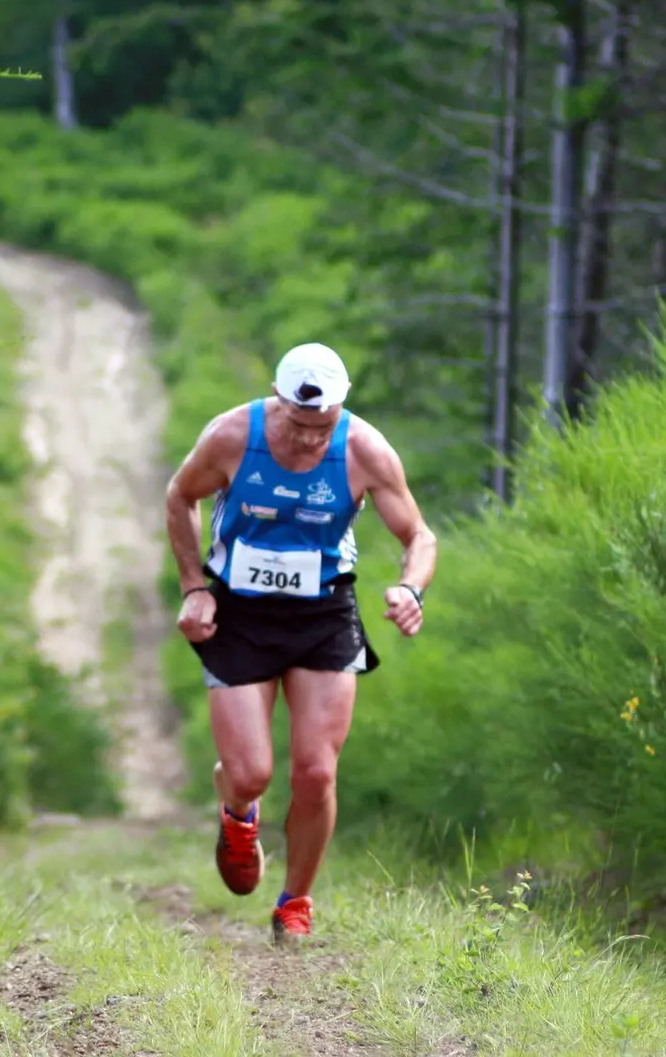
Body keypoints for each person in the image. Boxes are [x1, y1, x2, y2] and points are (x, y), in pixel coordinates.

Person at [163, 342, 436, 944]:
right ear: (280, 402)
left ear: (341, 409)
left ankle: (295, 902)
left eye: (325, 426)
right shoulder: (234, 435)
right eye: (301, 425)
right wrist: (193, 587)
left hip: (324, 615)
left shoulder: (365, 449)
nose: (313, 440)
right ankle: (238, 810)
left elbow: (419, 535)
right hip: (239, 613)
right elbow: (181, 495)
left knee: (316, 771)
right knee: (253, 771)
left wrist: (410, 589)